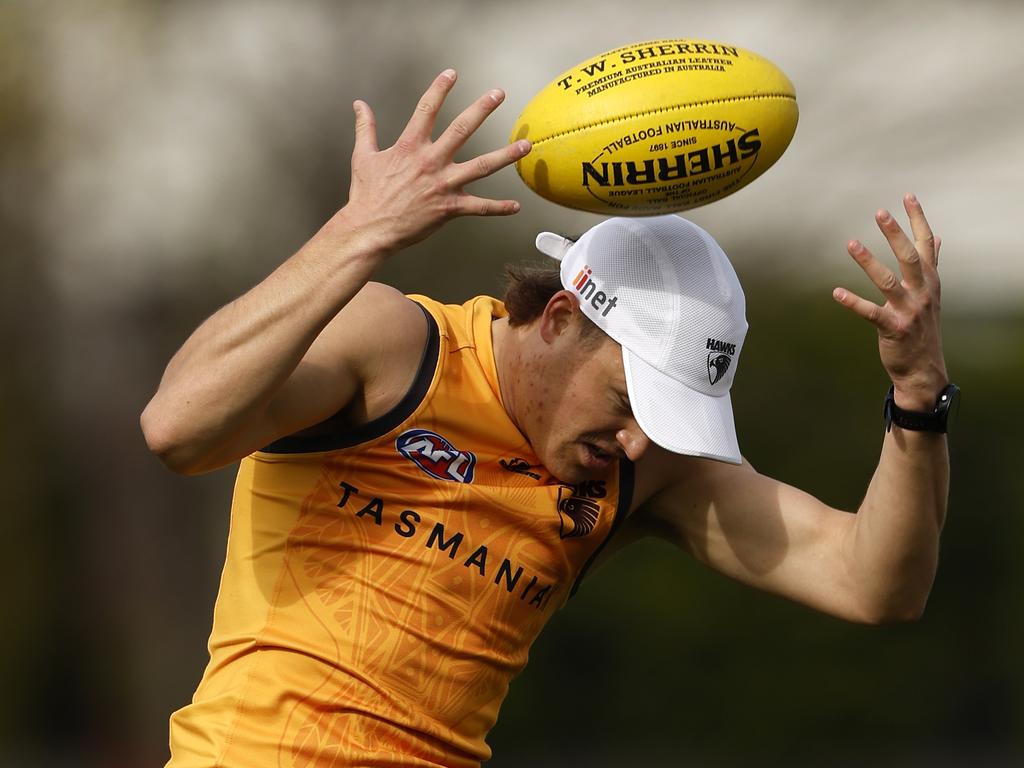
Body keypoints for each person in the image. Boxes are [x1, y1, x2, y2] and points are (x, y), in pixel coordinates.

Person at [141, 69, 953, 767]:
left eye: (668, 422)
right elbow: (177, 428)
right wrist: (359, 232)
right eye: (631, 402)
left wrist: (918, 401)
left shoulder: (638, 469)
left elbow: (872, 583)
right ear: (561, 318)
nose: (637, 440)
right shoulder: (395, 349)